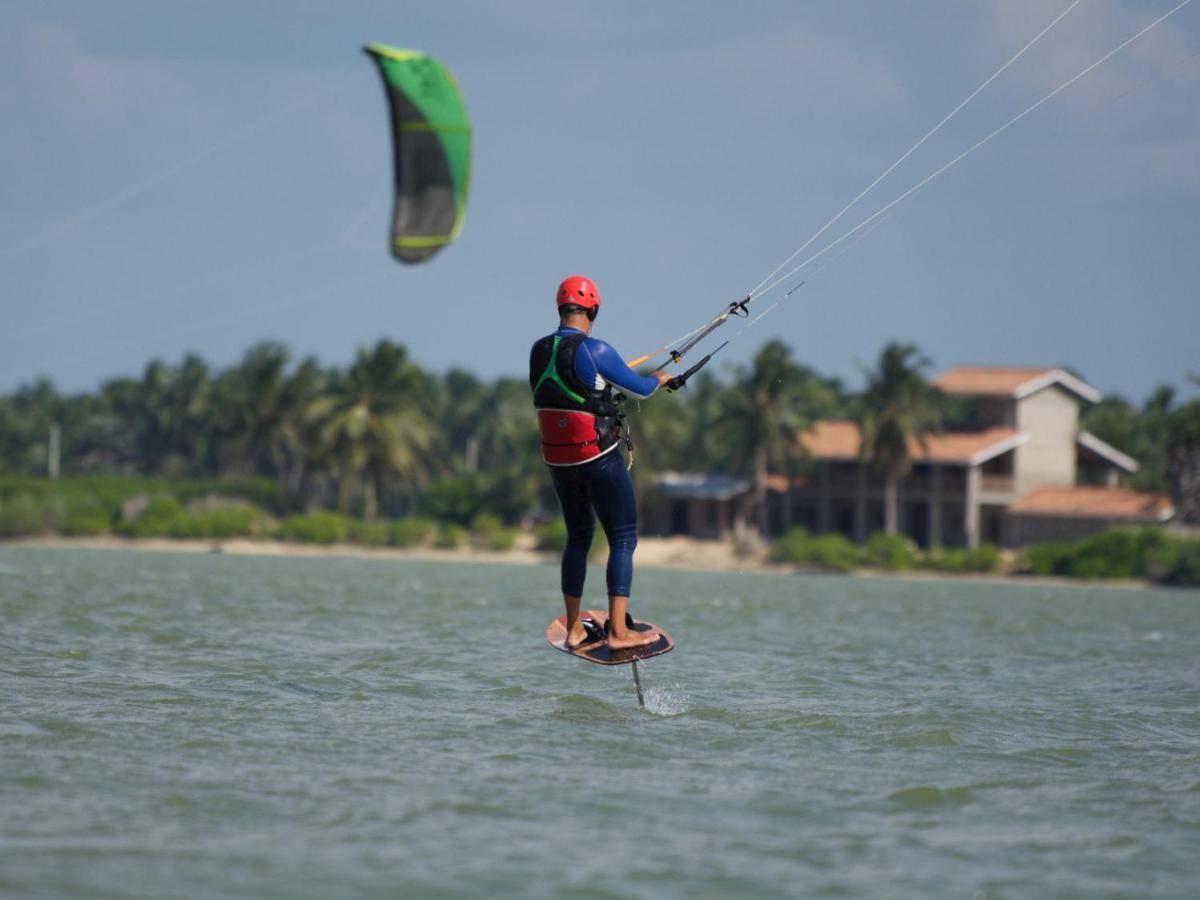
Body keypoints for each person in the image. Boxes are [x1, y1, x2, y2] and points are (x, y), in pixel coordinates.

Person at [529, 275, 672, 650]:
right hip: (596, 458)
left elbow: (571, 392)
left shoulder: (538, 350)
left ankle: (575, 628)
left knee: (578, 537)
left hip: (557, 461)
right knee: (623, 537)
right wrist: (659, 377)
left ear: (560, 310)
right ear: (593, 310)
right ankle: (619, 632)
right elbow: (640, 389)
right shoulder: (597, 350)